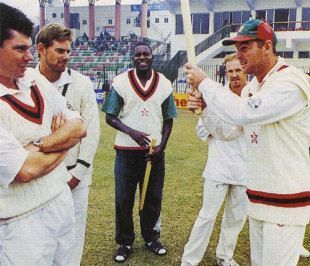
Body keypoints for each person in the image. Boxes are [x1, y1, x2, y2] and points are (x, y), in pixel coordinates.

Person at [185, 19, 309, 266]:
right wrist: (205, 110)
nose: (239, 55)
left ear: (267, 46)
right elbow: (229, 131)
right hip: (258, 196)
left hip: (285, 200)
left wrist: (206, 84)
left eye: (245, 47)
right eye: (237, 48)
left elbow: (245, 113)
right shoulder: (252, 86)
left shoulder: (291, 82)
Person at [0, 3, 87, 265]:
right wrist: (64, 141)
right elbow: (25, 170)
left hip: (60, 200)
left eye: (29, 48)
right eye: (19, 49)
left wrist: (41, 145)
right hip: (20, 219)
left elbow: (79, 127)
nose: (29, 57)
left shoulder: (34, 81)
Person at [102, 42, 177, 263]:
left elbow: (168, 119)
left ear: (152, 57)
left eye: (146, 54)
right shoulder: (121, 82)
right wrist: (131, 131)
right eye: (138, 54)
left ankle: (152, 238)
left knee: (153, 197)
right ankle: (124, 242)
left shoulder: (163, 84)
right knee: (124, 198)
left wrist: (161, 147)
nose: (142, 57)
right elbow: (110, 116)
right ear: (132, 58)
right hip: (126, 153)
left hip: (154, 154)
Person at [35, 23, 100, 265]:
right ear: (41, 49)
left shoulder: (81, 83)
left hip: (75, 174)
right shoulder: (27, 82)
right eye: (60, 51)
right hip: (40, 172)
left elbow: (91, 130)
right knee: (41, 233)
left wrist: (78, 172)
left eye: (68, 51)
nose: (66, 57)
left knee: (72, 233)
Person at [181, 54, 248, 266]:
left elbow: (235, 129)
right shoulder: (214, 96)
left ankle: (224, 256)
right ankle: (190, 260)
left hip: (245, 169)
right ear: (224, 73)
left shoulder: (253, 96)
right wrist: (202, 111)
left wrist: (213, 120)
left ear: (245, 70)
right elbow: (202, 131)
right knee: (207, 216)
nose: (234, 75)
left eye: (238, 70)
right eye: (230, 71)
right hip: (218, 166)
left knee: (235, 218)